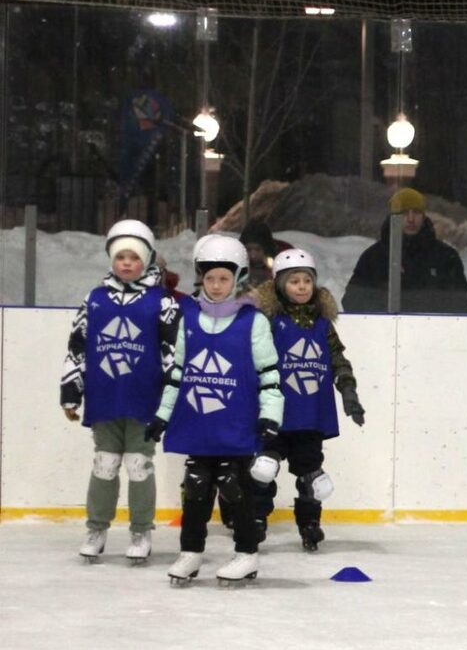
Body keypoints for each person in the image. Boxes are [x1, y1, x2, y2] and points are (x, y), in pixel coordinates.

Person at [145, 234, 283, 586]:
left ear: (236, 278)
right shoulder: (188, 317)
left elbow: (270, 376)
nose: (217, 285)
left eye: (224, 278)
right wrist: (162, 416)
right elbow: (177, 373)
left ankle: (246, 554)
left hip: (237, 424)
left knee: (236, 489)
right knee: (195, 488)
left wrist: (270, 418)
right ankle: (191, 552)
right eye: (210, 278)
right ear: (200, 278)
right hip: (199, 423)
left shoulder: (253, 321)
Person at [59, 219, 182, 564]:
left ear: (147, 260)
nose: (126, 263)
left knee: (139, 464)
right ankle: (96, 529)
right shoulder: (95, 299)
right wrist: (71, 392)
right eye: (120, 257)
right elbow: (77, 348)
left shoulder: (162, 302)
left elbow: (173, 353)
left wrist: (173, 399)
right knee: (105, 463)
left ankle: (141, 531)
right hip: (105, 397)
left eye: (134, 257)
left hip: (145, 400)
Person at [251, 247, 367, 551]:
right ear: (279, 285)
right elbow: (254, 361)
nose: (302, 287)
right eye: (294, 281)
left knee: (310, 474)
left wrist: (349, 391)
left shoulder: (322, 324)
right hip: (276, 413)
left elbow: (338, 359)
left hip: (310, 415)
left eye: (306, 281)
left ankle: (310, 524)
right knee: (263, 469)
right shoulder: (269, 321)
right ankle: (256, 519)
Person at [341, 187, 467, 314]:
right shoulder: (374, 257)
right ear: (393, 216)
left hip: (433, 333)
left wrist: (425, 312)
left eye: (416, 212)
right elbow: (352, 301)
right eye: (404, 213)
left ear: (423, 215)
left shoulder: (445, 257)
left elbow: (464, 305)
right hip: (385, 334)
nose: (411, 219)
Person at [238, 220, 294, 289]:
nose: (253, 255)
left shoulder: (284, 257)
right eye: (248, 249)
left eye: (257, 250)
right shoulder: (238, 259)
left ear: (266, 248)